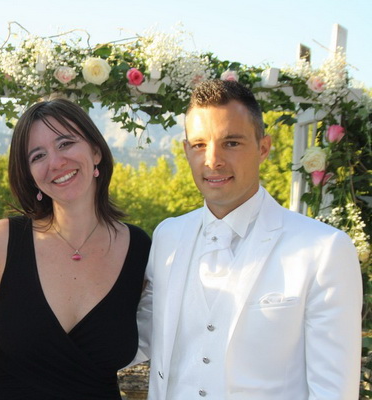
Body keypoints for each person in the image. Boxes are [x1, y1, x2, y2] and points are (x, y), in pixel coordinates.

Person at [135, 79, 362, 399]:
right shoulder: (167, 236)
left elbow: (333, 391)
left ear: (264, 147)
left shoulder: (323, 250)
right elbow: (138, 337)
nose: (212, 160)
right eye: (199, 144)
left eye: (231, 142)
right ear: (186, 151)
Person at [0, 98, 151, 399]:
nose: (56, 162)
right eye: (38, 156)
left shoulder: (141, 250)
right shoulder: (5, 240)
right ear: (30, 174)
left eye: (65, 143)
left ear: (96, 151)